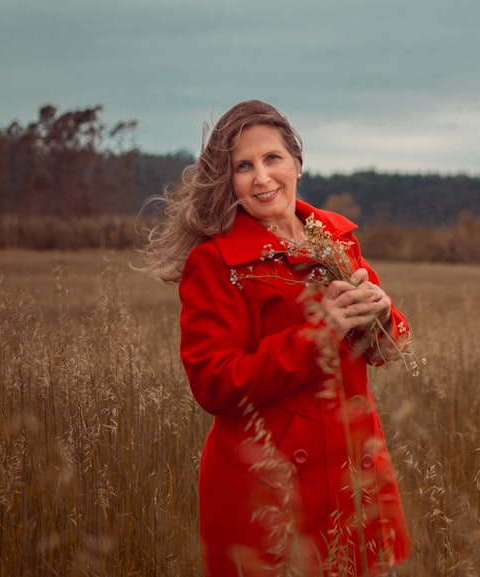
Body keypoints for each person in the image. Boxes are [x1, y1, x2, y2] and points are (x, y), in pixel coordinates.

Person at [142, 99, 412, 576]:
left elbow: (384, 348)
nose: (262, 177)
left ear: (297, 164)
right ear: (228, 182)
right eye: (243, 167)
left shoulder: (335, 239)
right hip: (268, 494)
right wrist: (319, 337)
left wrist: (385, 315)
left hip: (355, 484)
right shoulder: (216, 263)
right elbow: (214, 384)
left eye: (272, 159)